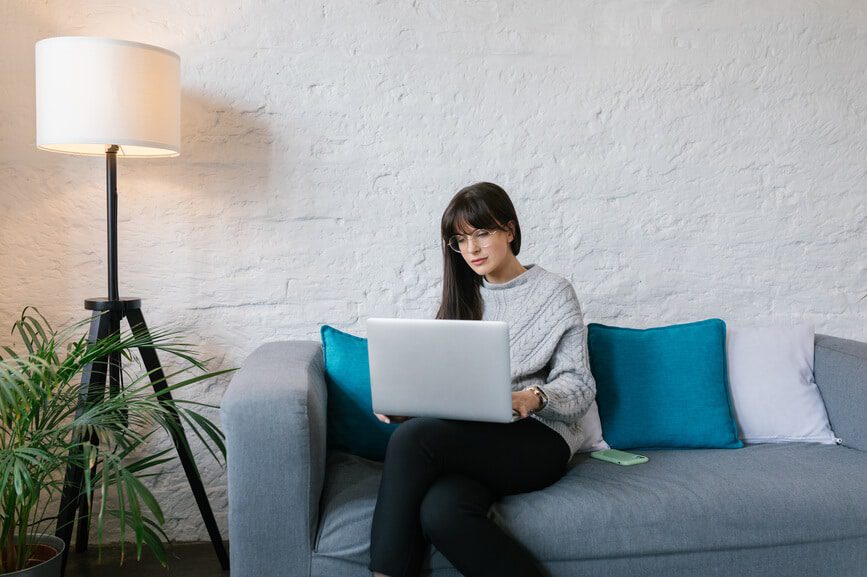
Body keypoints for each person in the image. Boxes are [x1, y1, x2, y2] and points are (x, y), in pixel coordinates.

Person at [369, 181, 597, 577]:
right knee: (441, 512)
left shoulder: (555, 292)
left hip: (540, 437)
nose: (472, 249)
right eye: (460, 240)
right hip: (475, 438)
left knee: (413, 440)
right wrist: (410, 404)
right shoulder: (461, 296)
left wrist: (530, 397)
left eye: (482, 233)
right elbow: (445, 385)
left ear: (509, 230)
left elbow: (579, 386)